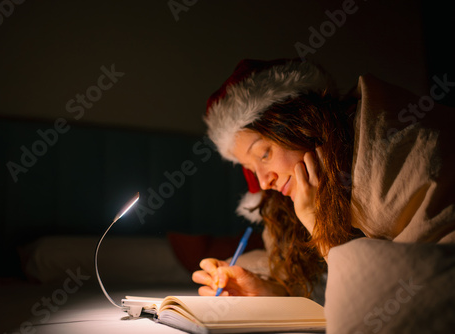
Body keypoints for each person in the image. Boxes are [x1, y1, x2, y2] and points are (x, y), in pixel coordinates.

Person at [191, 58, 455, 298]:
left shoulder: (400, 158)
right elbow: (313, 284)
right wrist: (267, 289)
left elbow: (392, 302)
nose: (262, 183)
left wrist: (317, 225)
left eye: (263, 154)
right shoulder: (295, 197)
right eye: (249, 168)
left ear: (300, 123)